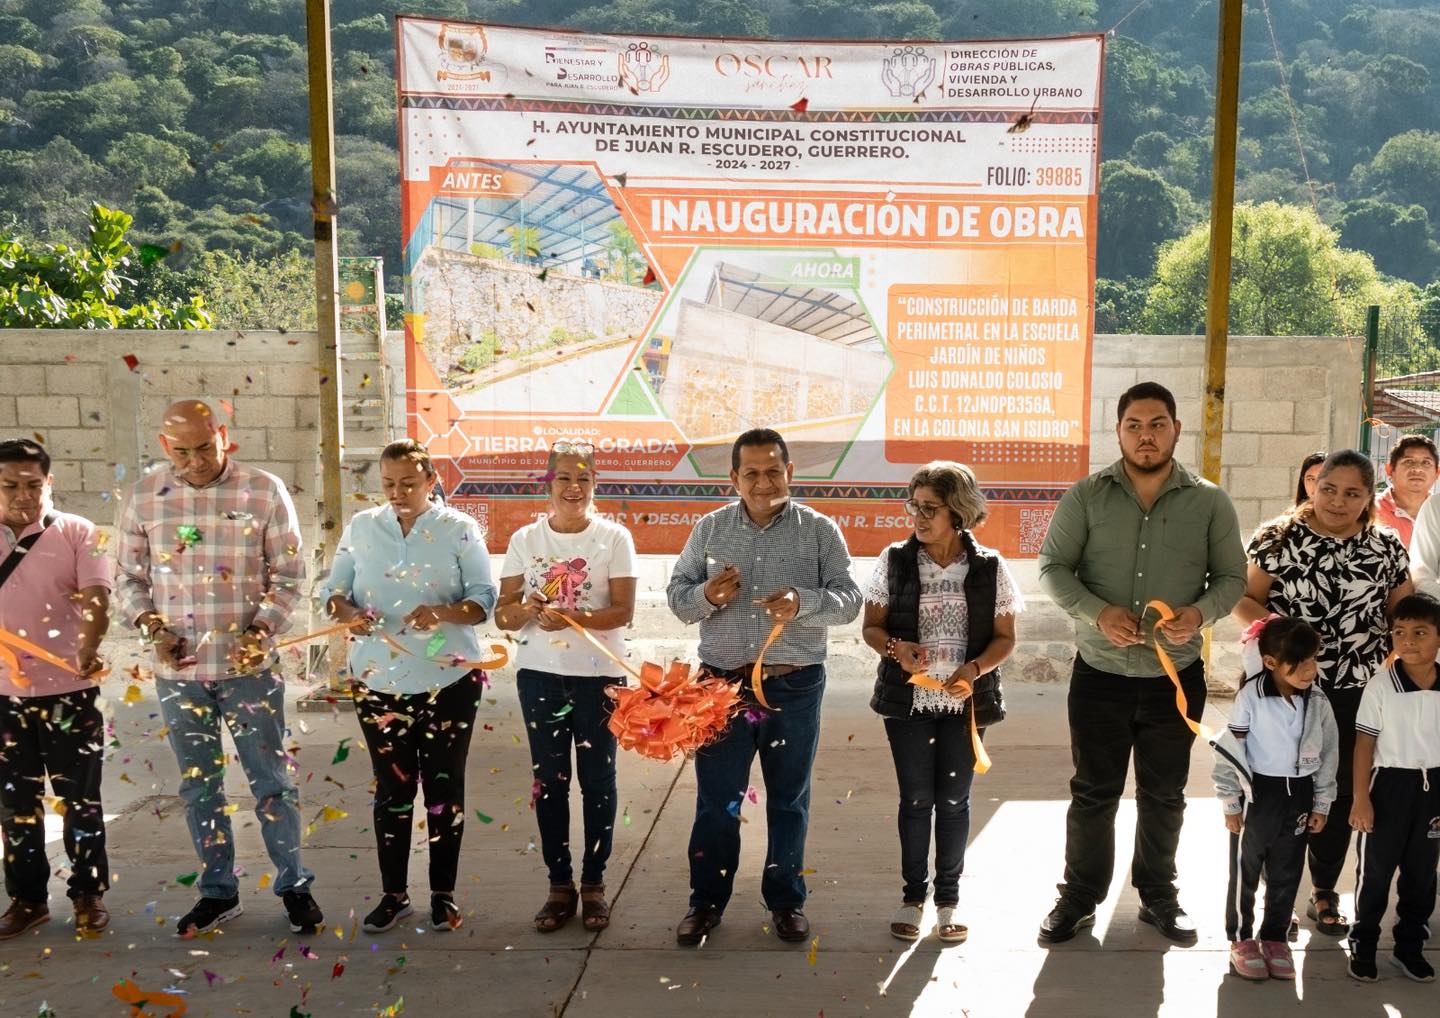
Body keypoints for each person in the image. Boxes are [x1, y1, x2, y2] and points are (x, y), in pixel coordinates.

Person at [1037, 381, 1247, 944]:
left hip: (1173, 677)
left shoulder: (1209, 501)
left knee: (1165, 794)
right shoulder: (1086, 495)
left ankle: (1158, 893)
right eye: (1134, 425)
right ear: (1119, 431)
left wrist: (1198, 615)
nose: (1146, 435)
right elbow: (1054, 566)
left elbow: (1231, 579)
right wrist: (1096, 612)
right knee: (1093, 791)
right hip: (1099, 673)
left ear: (1177, 429)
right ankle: (1079, 896)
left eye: (1157, 424)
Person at [115, 400, 322, 938]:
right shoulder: (143, 497)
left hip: (250, 670)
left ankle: (294, 886)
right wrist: (152, 629)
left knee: (272, 783)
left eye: (205, 448)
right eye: (182, 452)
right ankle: (218, 891)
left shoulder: (263, 489)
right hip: (179, 676)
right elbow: (129, 581)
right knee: (199, 788)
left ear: (224, 436)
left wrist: (260, 632)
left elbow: (292, 574)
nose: (196, 460)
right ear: (164, 447)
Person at [666, 428, 862, 947]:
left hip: (793, 685)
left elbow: (850, 600)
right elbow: (678, 598)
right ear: (733, 478)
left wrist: (803, 602)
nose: (762, 481)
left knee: (788, 799)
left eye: (773, 470)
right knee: (716, 801)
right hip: (721, 687)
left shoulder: (819, 530)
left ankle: (786, 901)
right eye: (750, 472)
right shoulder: (708, 531)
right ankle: (705, 902)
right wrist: (707, 594)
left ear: (790, 473)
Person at [320, 440, 497, 934]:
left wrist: (441, 612)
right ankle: (394, 894)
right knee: (392, 789)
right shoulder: (362, 527)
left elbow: (484, 598)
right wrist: (348, 613)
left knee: (444, 787)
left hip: (450, 677)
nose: (398, 493)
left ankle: (443, 894)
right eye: (389, 484)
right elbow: (331, 591)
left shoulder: (458, 529)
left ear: (432, 480)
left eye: (409, 483)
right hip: (377, 679)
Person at [1234, 449, 1411, 938]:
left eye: (1352, 493)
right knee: (1279, 791)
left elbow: (1404, 614)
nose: (1337, 501)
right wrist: (1280, 641)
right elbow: (1246, 598)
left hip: (1356, 690)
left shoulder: (1386, 547)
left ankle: (1325, 890)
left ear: (1368, 497)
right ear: (1314, 486)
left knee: (1334, 791)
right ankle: (1279, 895)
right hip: (1284, 690)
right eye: (1329, 488)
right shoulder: (1277, 538)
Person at [860, 461, 1023, 944]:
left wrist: (973, 671)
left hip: (966, 704)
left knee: (953, 801)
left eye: (930, 507)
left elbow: (1005, 638)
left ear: (959, 511)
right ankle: (912, 898)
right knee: (916, 799)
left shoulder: (990, 566)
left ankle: (948, 902)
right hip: (907, 703)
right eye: (914, 505)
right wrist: (896, 650)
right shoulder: (894, 559)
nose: (918, 515)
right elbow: (872, 627)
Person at [495, 440, 637, 934]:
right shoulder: (525, 540)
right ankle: (559, 886)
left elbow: (623, 612)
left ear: (595, 483)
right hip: (539, 678)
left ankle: (594, 884)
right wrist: (529, 611)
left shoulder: (614, 538)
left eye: (583, 479)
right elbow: (503, 616)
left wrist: (574, 618)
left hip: (599, 678)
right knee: (550, 784)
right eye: (564, 479)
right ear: (549, 483)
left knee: (598, 782)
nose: (573, 488)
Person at [0, 440, 111, 939]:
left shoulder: (77, 532)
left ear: (50, 483)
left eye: (33, 484)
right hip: (3, 697)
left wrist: (89, 646)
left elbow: (96, 596)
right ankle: (26, 900)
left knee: (80, 799)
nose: (23, 495)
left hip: (69, 690)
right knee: (14, 804)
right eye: (10, 485)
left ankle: (89, 894)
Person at [1211, 616, 1337, 981]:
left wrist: (1321, 802)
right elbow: (1230, 749)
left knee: (1286, 870)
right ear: (1270, 663)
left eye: (1313, 659)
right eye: (1299, 662)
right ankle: (1241, 940)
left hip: (1298, 795)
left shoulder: (1318, 701)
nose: (1310, 669)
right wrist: (1231, 801)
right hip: (1258, 795)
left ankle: (1275, 938)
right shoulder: (1251, 695)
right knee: (1245, 871)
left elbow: (1329, 753)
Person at [1347, 592, 1440, 983]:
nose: (1408, 641)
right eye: (1399, 632)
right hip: (1389, 787)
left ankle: (1409, 946)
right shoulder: (1381, 685)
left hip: (1434, 786)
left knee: (1422, 873)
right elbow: (1364, 744)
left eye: (1420, 632)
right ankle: (1364, 942)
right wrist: (1361, 799)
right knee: (1376, 873)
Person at [1373, 435, 1437, 547]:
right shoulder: (1369, 511)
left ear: (1437, 473)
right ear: (1390, 470)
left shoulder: (1437, 512)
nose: (1417, 469)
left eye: (1426, 463)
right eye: (1408, 461)